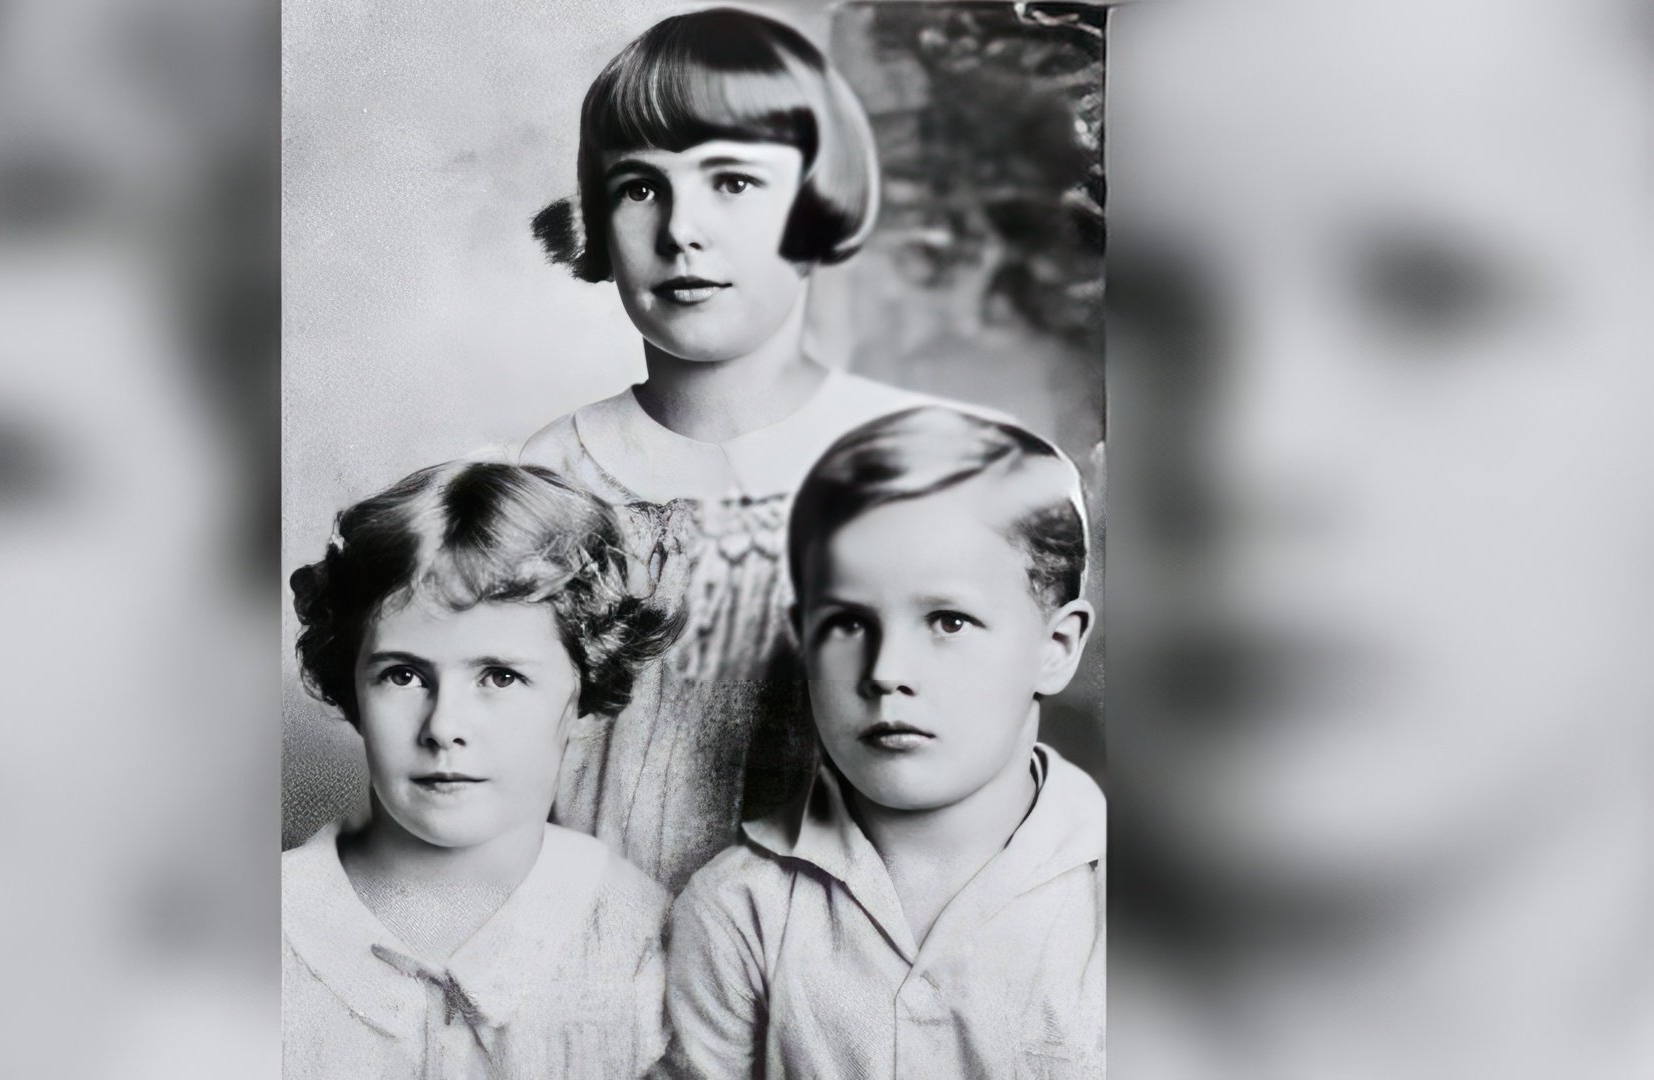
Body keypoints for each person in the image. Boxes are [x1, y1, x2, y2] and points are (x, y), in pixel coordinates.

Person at [522, 6, 982, 893]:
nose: (680, 229)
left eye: (731, 182)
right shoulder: (554, 474)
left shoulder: (916, 465)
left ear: (815, 207)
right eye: (639, 186)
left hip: (830, 962)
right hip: (592, 950)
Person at [661, 406, 1104, 1078]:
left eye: (948, 621)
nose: (885, 673)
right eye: (844, 624)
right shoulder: (738, 907)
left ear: (1055, 646)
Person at [283, 461, 682, 1078]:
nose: (444, 727)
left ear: (585, 692)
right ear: (352, 688)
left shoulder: (650, 948)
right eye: (404, 675)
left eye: (501, 676)